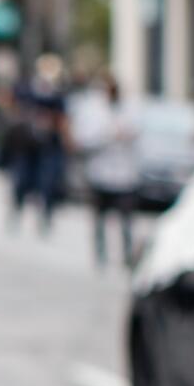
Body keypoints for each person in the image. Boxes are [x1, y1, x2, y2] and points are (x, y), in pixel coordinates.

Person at [9, 54, 69, 236]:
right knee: (22, 180)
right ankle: (17, 211)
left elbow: (62, 119)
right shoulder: (28, 90)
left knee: (48, 182)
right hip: (28, 144)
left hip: (48, 145)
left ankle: (46, 216)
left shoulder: (57, 95)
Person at [84, 76, 141, 269]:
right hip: (101, 173)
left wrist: (127, 135)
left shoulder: (129, 109)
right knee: (99, 219)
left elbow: (138, 133)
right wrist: (108, 135)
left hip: (124, 175)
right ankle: (100, 254)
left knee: (126, 220)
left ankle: (127, 255)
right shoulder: (94, 111)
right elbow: (85, 139)